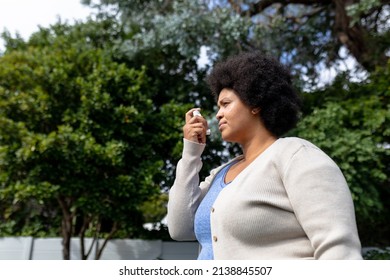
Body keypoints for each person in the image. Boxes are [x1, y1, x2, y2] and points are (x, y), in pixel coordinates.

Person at [167, 51, 362, 260]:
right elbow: (180, 229)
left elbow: (339, 251)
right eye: (218, 107)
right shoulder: (220, 174)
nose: (218, 114)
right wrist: (190, 153)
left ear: (255, 103)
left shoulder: (296, 156)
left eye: (226, 104)